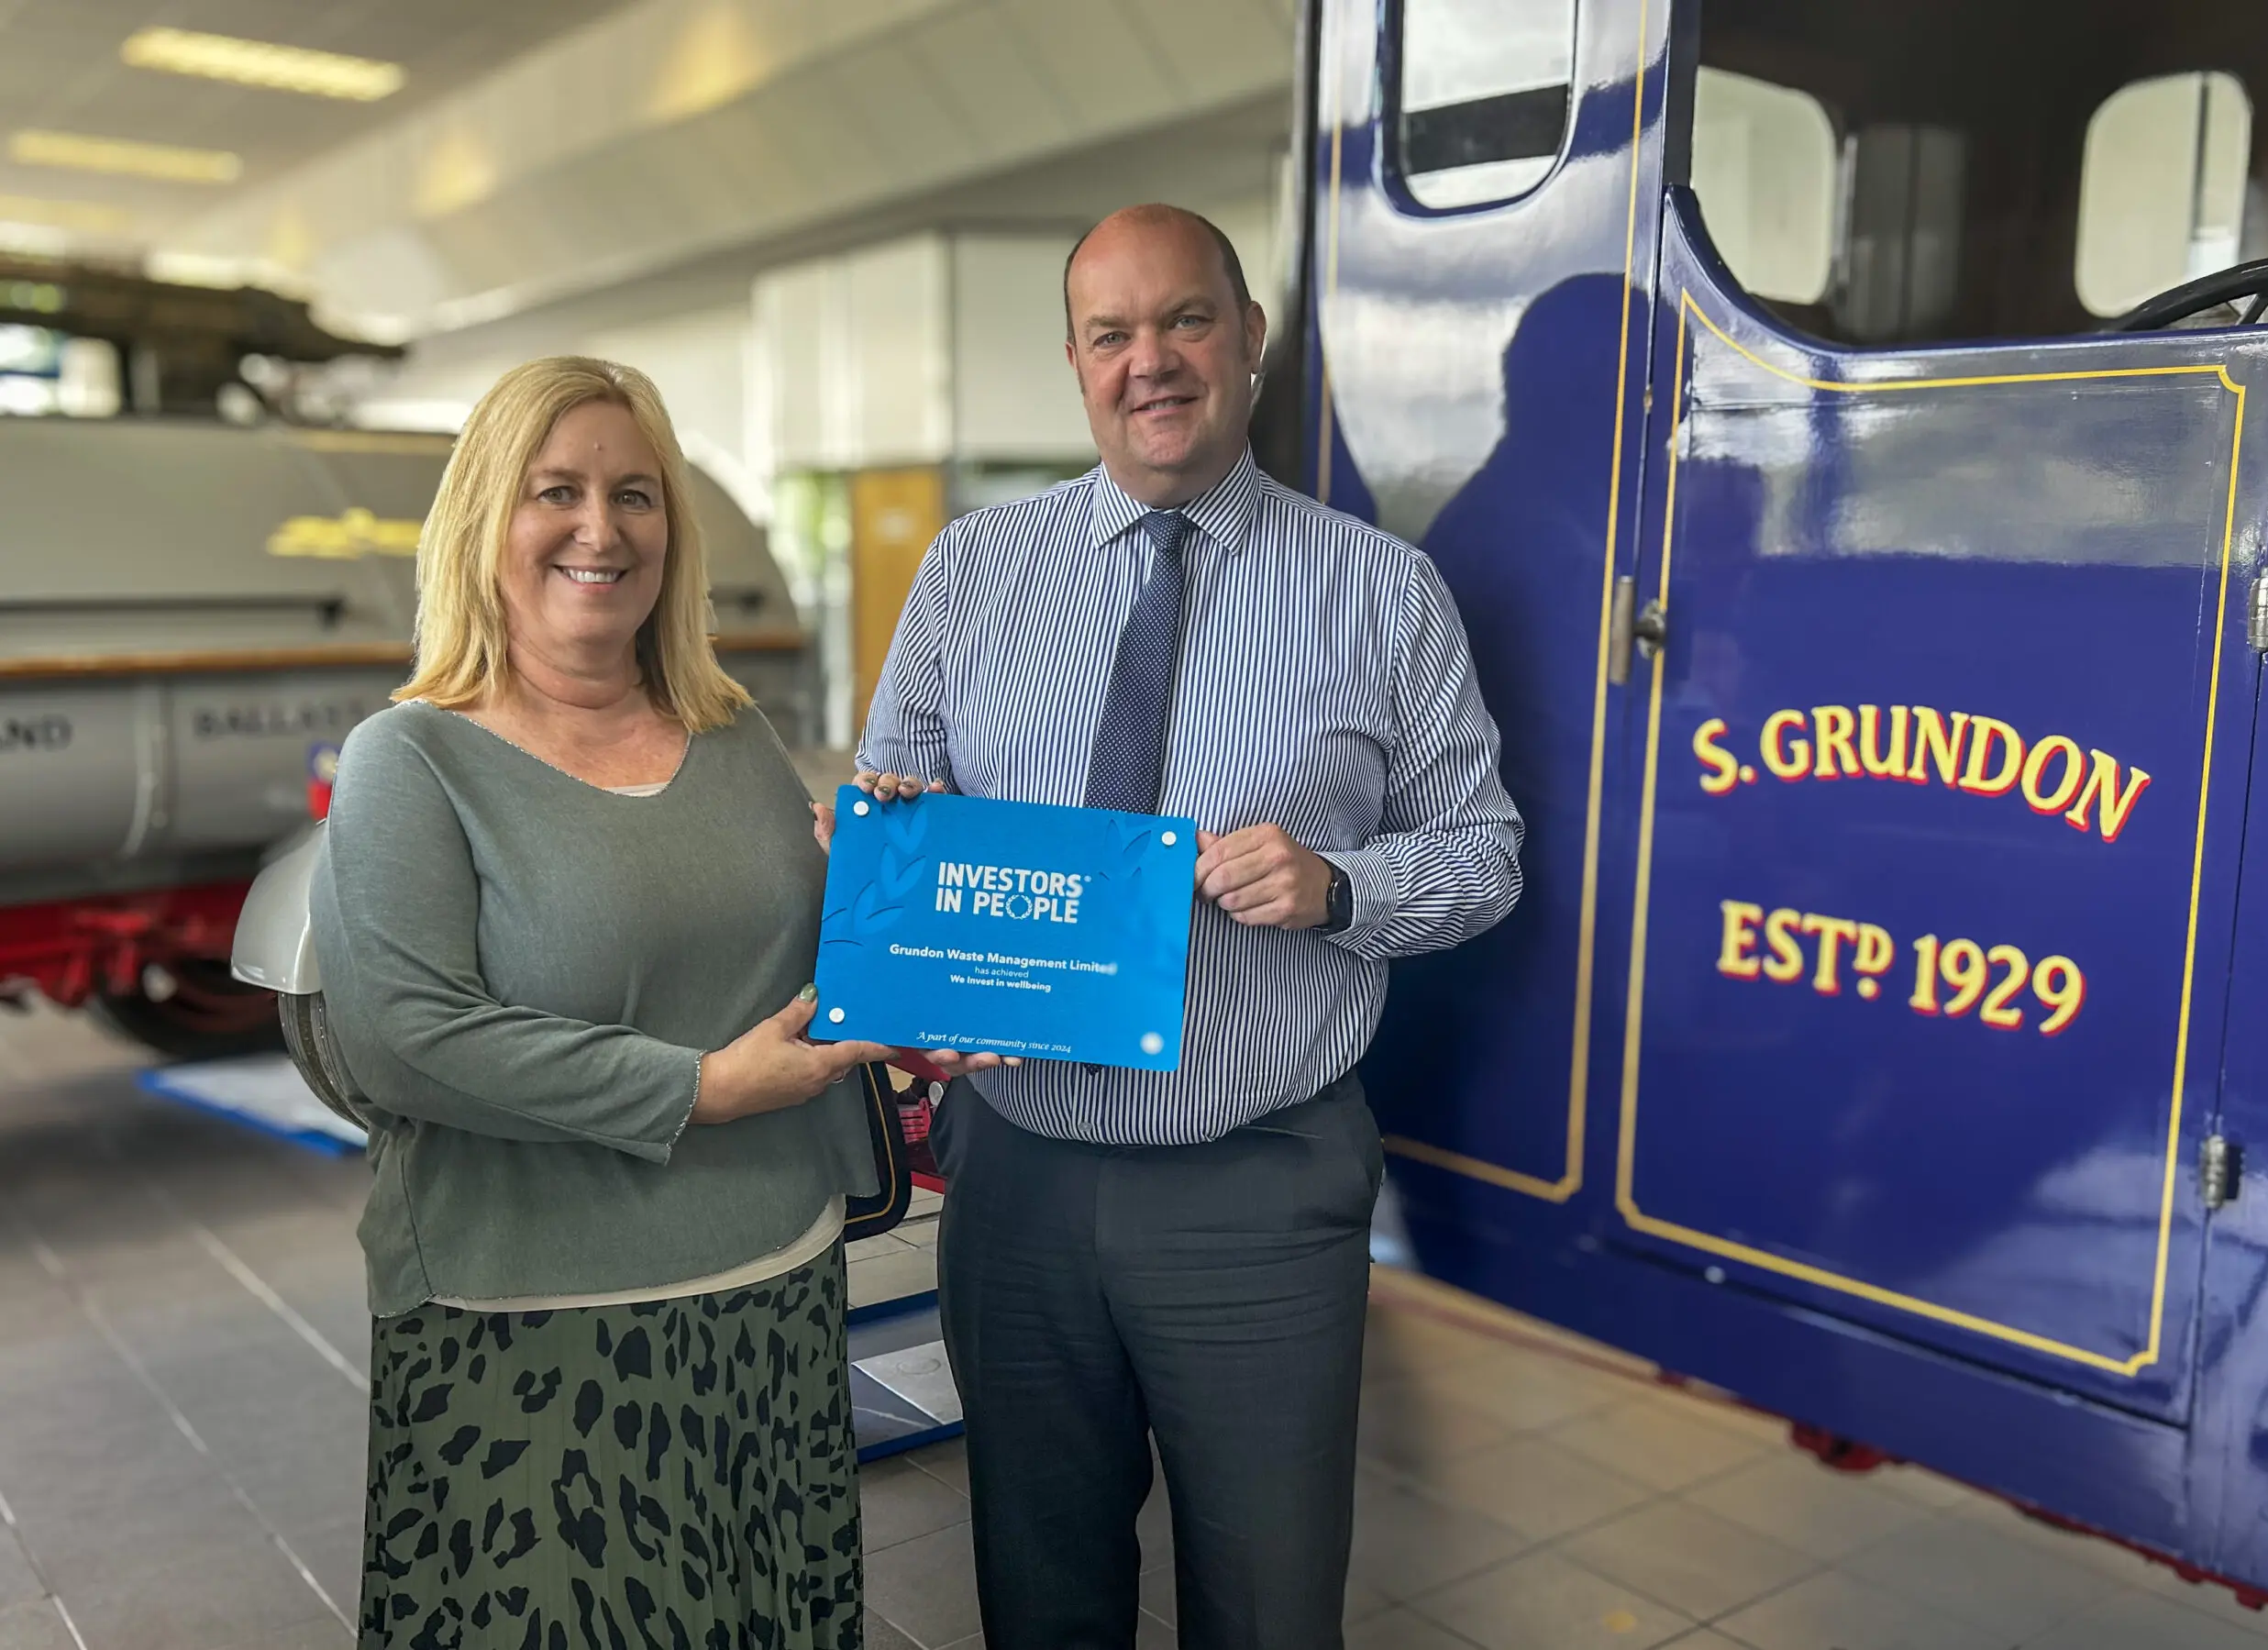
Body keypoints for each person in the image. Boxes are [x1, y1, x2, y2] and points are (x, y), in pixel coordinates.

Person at [857, 205, 1524, 1649]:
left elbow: (1487, 857)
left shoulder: (1381, 591)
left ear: (1249, 342)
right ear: (1078, 361)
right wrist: (894, 924)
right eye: (1113, 332)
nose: (1150, 361)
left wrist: (1339, 886)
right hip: (1018, 1178)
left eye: (1186, 321)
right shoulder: (974, 573)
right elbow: (889, 807)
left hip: (1257, 1191)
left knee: (1272, 1603)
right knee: (1041, 1591)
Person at [313, 356, 892, 1650]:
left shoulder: (731, 730)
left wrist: (902, 915)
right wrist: (698, 1088)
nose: (601, 527)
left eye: (637, 494)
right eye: (555, 490)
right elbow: (407, 1039)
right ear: (484, 521)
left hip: (771, 1300)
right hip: (531, 1337)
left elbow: (801, 966)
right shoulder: (412, 759)